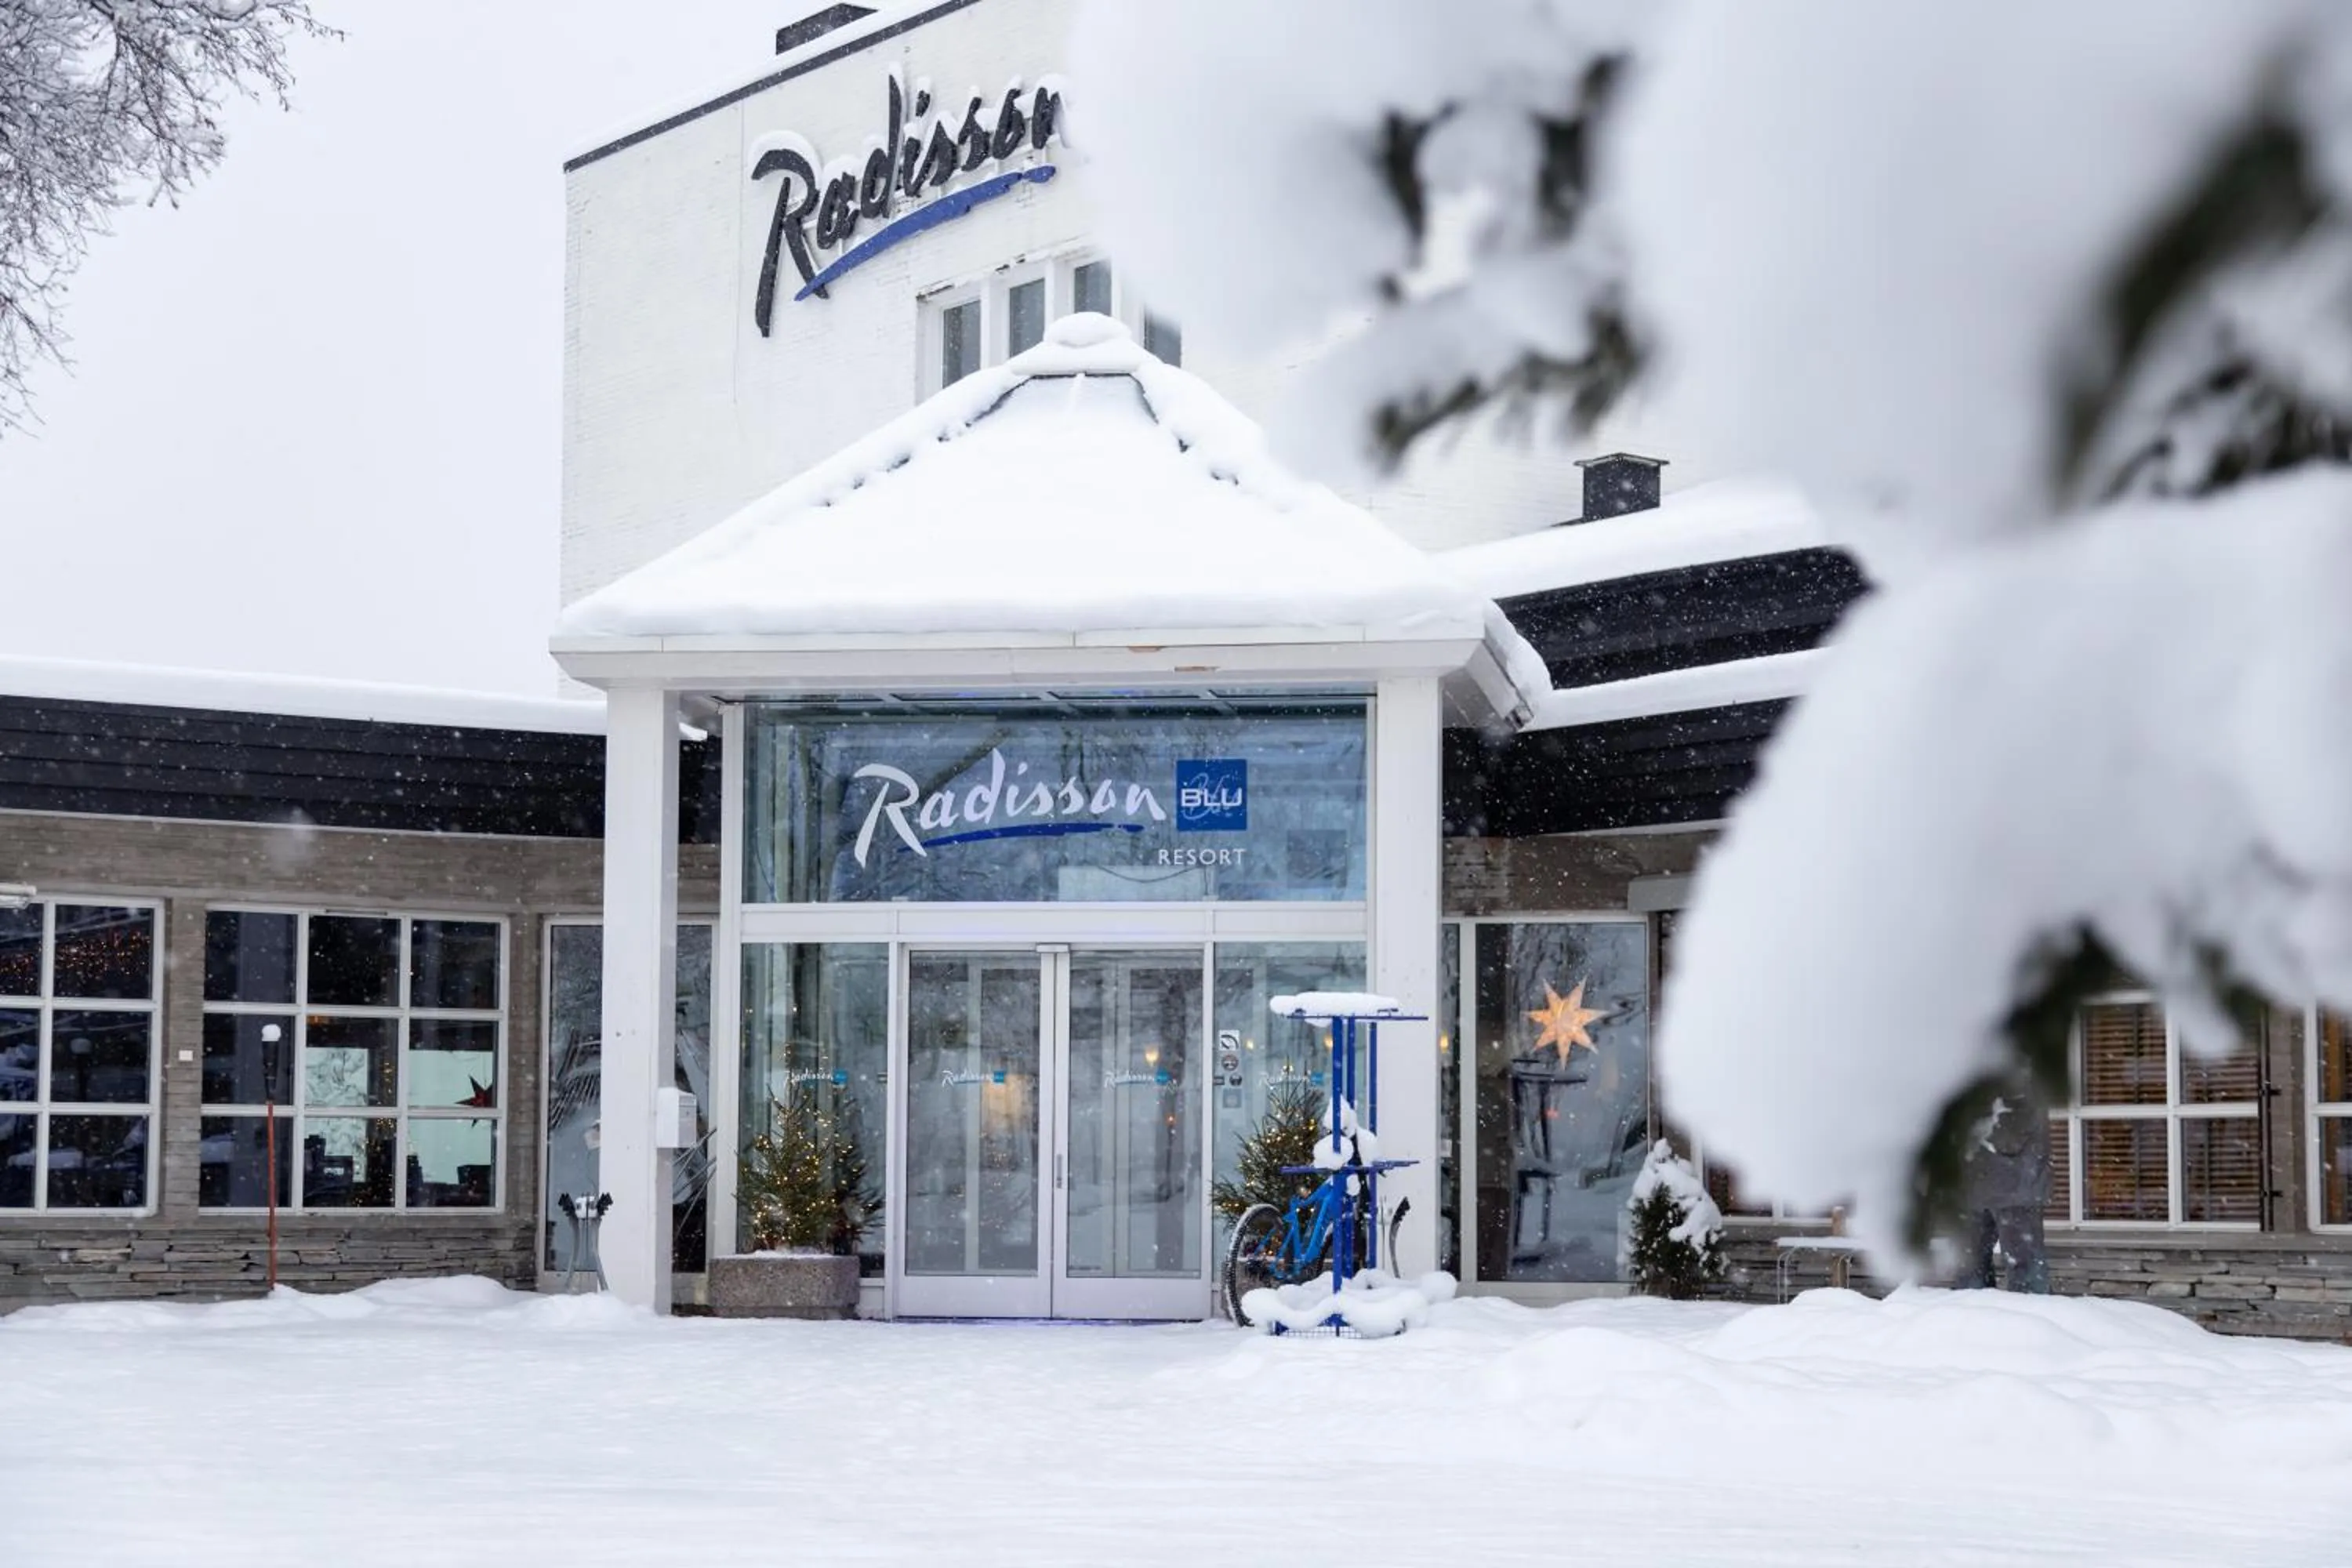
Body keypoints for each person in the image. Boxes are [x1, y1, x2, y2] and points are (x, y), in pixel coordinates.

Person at [1954, 1078, 2053, 1293]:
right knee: (1969, 1271)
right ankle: (1969, 1320)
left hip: (2015, 1188)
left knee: (2025, 1271)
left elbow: (2012, 1131)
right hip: (1973, 1188)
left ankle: (2031, 1321)